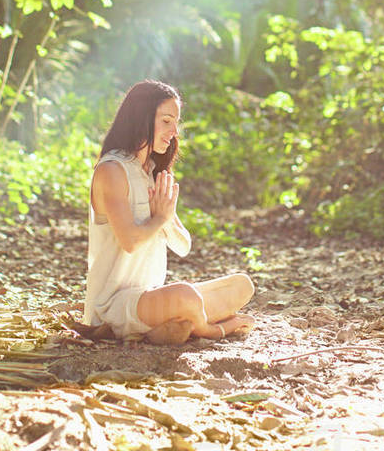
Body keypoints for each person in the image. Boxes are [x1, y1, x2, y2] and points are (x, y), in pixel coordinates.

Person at [83, 80, 255, 345]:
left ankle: (171, 324)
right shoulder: (112, 170)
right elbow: (129, 241)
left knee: (242, 285)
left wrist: (166, 217)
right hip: (113, 305)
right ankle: (207, 329)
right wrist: (159, 218)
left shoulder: (152, 172)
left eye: (176, 122)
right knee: (186, 297)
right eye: (166, 121)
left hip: (151, 297)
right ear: (141, 118)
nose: (174, 131)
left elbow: (183, 245)